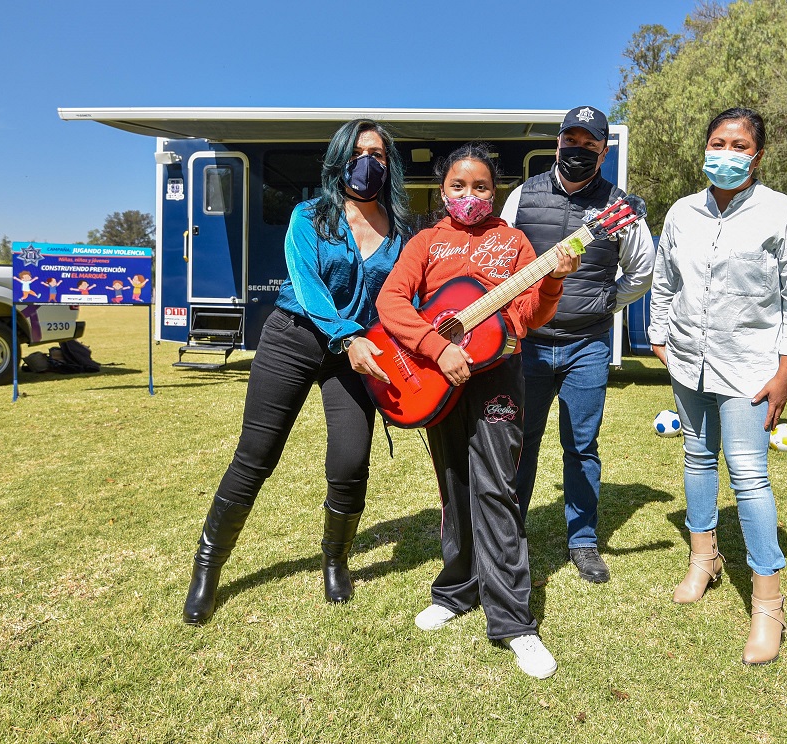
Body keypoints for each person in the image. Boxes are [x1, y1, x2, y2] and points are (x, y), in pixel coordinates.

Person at [182, 119, 411, 625]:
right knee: (256, 456)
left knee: (351, 461)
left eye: (377, 153)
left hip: (355, 354)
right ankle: (207, 568)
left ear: (388, 163)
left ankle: (335, 560)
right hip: (295, 336)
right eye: (357, 152)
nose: (367, 162)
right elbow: (308, 287)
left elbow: (398, 300)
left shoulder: (399, 233)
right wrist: (347, 335)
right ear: (338, 160)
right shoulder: (309, 216)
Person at [375, 143, 578, 678]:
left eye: (482, 187)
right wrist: (437, 347)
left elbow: (527, 314)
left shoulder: (513, 243)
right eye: (459, 187)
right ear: (443, 191)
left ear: (497, 192)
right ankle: (455, 590)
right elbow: (391, 303)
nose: (470, 196)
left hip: (498, 379)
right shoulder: (426, 241)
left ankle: (515, 621)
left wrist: (553, 277)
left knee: (495, 488)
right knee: (453, 485)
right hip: (435, 378)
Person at [648, 107, 787, 665]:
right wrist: (659, 337)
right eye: (717, 141)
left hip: (750, 367)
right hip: (688, 361)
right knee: (697, 457)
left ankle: (768, 605)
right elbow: (665, 280)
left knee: (748, 474)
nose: (725, 152)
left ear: (757, 155)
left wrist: (786, 372)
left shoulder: (784, 214)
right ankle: (703, 560)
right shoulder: (681, 212)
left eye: (738, 144)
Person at [500, 105, 655, 583]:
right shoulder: (522, 197)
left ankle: (583, 540)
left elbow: (643, 271)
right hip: (527, 344)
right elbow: (502, 261)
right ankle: (510, 532)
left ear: (603, 151)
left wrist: (606, 300)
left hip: (586, 345)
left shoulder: (618, 209)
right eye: (572, 140)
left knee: (581, 445)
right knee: (517, 442)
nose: (578, 150)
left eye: (590, 144)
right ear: (558, 143)